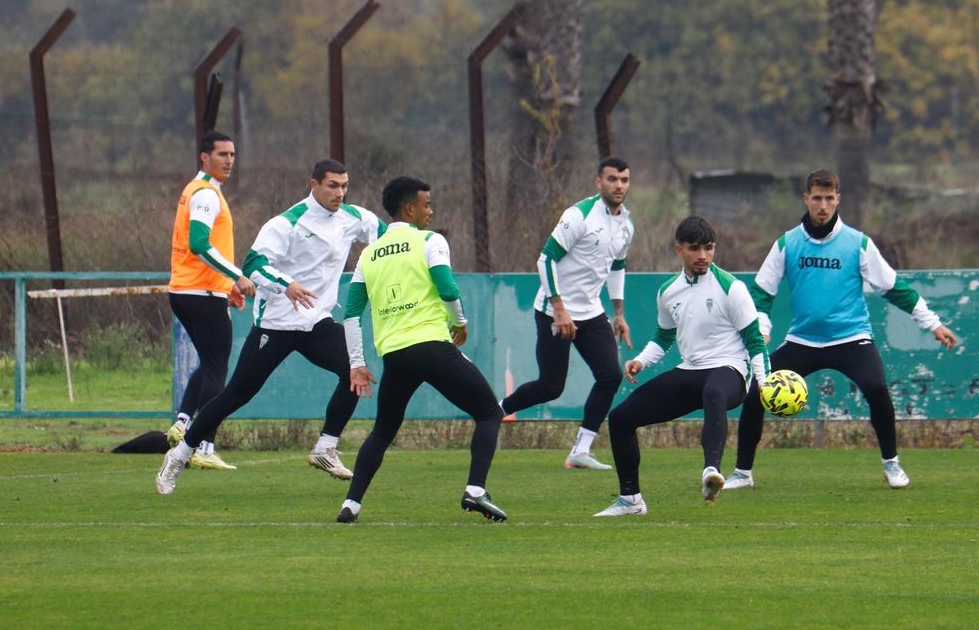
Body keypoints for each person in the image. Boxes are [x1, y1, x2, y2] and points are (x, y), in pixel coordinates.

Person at [156, 160, 384, 494]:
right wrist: (287, 284)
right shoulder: (287, 223)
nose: (340, 192)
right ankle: (180, 454)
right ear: (314, 184)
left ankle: (325, 447)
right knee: (236, 394)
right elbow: (254, 264)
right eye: (333, 185)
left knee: (354, 370)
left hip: (316, 321)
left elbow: (388, 238)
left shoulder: (354, 218)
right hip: (277, 324)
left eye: (344, 186)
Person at [723, 169, 957, 492]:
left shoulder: (857, 243)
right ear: (806, 198)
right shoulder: (787, 243)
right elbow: (761, 294)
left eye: (829, 198)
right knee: (756, 392)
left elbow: (893, 287)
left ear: (838, 200)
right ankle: (743, 472)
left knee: (876, 387)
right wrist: (762, 327)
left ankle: (892, 464)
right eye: (816, 198)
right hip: (802, 340)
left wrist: (932, 323)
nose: (823, 205)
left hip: (852, 339)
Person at [333, 176, 507, 524]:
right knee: (490, 413)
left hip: (395, 356)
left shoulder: (369, 254)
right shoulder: (430, 240)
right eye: (426, 204)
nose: (431, 210)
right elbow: (447, 285)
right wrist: (459, 321)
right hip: (431, 345)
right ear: (409, 208)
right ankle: (475, 491)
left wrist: (356, 362)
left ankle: (350, 505)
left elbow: (351, 313)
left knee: (383, 430)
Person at [593, 216, 770, 517]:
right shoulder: (668, 291)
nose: (703, 255)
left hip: (731, 371)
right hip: (691, 370)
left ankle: (711, 472)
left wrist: (764, 384)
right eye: (695, 248)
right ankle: (630, 500)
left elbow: (755, 340)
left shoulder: (732, 287)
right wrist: (640, 361)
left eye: (709, 248)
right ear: (679, 249)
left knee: (714, 390)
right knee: (620, 418)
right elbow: (664, 336)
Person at [501, 156, 635, 469]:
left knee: (610, 375)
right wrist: (559, 309)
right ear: (598, 182)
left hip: (591, 312)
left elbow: (617, 265)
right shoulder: (579, 215)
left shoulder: (626, 225)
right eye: (612, 179)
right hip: (553, 311)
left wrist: (618, 312)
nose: (619, 185)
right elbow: (545, 260)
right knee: (551, 386)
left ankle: (580, 451)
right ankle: (496, 410)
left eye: (624, 180)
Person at [165, 131, 254, 471]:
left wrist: (224, 286)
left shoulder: (200, 190)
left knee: (209, 362)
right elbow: (199, 244)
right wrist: (236, 277)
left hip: (192, 291)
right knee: (217, 368)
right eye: (222, 154)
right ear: (204, 157)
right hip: (198, 294)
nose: (229, 160)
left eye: (232, 154)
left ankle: (183, 422)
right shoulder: (205, 194)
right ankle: (203, 444)